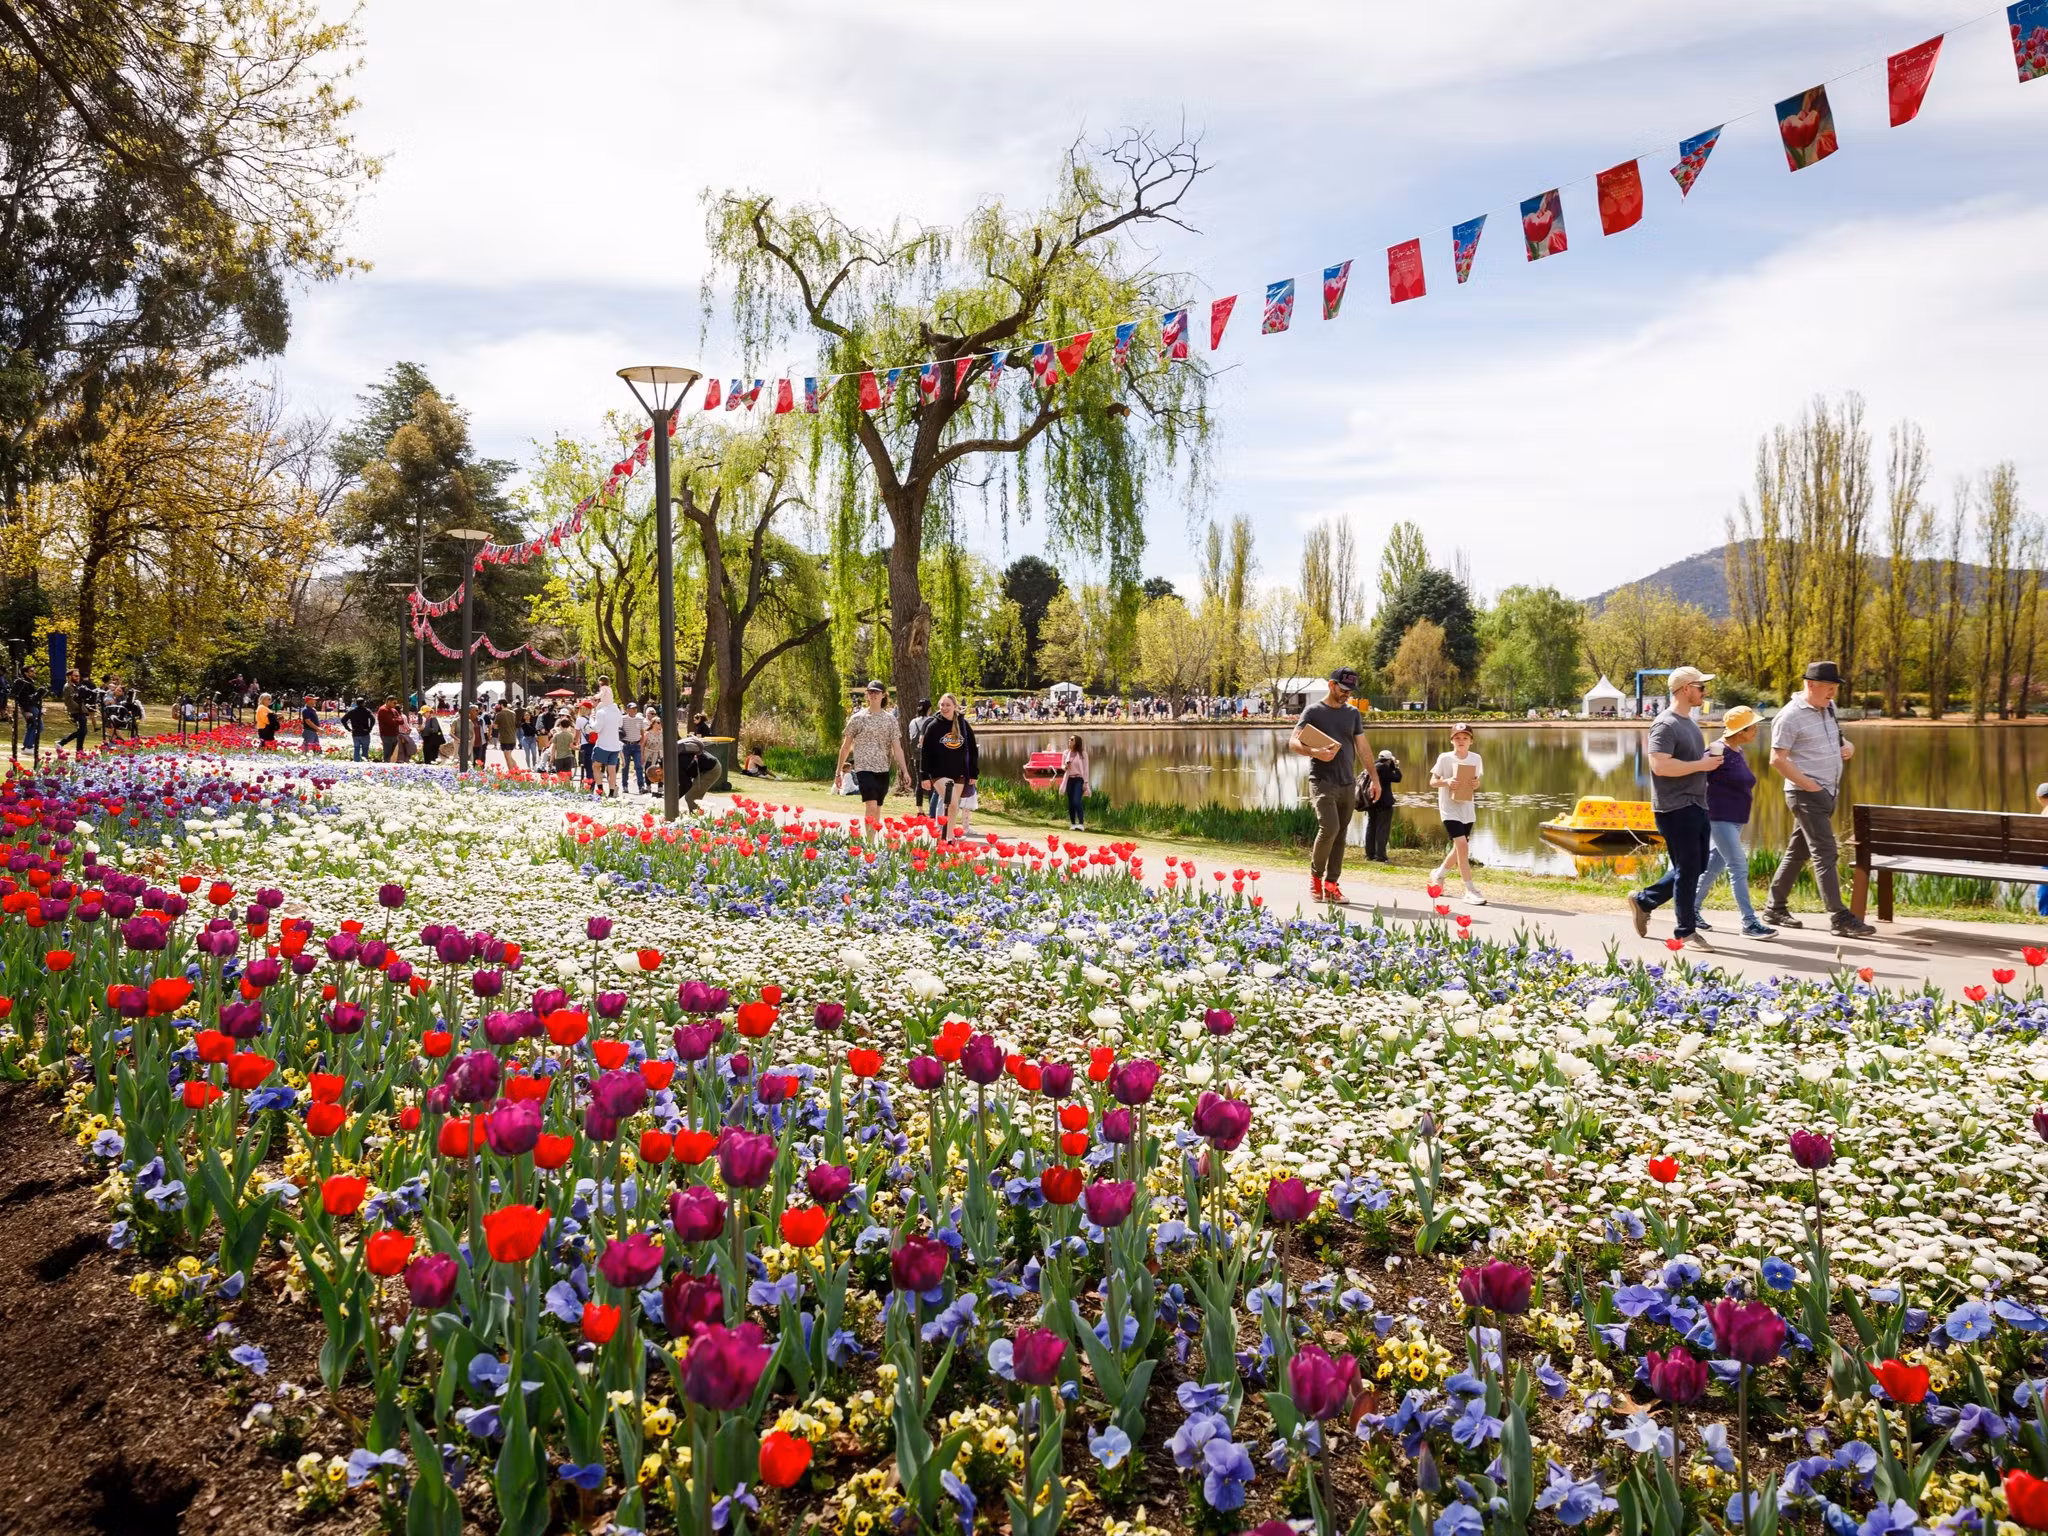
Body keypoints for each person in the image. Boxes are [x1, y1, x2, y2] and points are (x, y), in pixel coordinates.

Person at [1762, 660, 1873, 937]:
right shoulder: (1789, 717)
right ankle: (1839, 917)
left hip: (1827, 793)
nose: (1834, 693)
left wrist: (1847, 747)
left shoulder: (1828, 708)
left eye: (1836, 687)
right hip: (1805, 794)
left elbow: (1838, 740)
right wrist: (1809, 786)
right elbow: (1777, 759)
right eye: (1829, 687)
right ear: (1811, 685)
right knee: (1826, 851)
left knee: (1797, 852)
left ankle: (1774, 908)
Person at [1625, 666, 1718, 949]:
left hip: (1696, 804)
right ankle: (1685, 932)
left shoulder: (1689, 722)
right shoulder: (1665, 724)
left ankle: (1644, 901)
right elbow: (1659, 765)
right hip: (1675, 807)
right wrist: (1701, 765)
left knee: (1696, 865)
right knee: (1688, 869)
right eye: (1700, 686)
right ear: (1685, 689)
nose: (1704, 691)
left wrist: (1706, 764)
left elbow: (1683, 762)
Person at [1288, 666, 1373, 904]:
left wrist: (1374, 779)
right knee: (1329, 828)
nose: (1347, 694)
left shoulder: (1353, 713)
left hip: (1348, 782)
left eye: (1350, 690)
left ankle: (1331, 884)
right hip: (1322, 780)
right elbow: (1293, 742)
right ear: (1331, 684)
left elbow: (1363, 748)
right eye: (1343, 689)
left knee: (1340, 834)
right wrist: (1313, 751)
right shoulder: (1313, 711)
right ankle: (1315, 877)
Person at [1694, 705, 1775, 939]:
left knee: (1713, 867)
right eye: (1753, 727)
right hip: (1720, 818)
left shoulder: (1736, 750)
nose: (1757, 730)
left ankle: (1691, 910)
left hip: (1736, 819)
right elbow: (1696, 775)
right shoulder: (1717, 751)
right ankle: (1749, 923)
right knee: (1738, 866)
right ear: (1740, 730)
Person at [833, 679, 911, 834]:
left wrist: (905, 770)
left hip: (882, 768)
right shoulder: (858, 718)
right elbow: (846, 746)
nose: (873, 695)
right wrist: (838, 772)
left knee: (878, 807)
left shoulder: (890, 720)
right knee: (871, 805)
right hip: (864, 768)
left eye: (877, 692)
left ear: (883, 695)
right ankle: (869, 844)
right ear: (867, 695)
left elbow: (897, 747)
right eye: (871, 692)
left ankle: (873, 842)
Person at [1427, 723, 1486, 904]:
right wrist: (1446, 782)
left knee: (1460, 846)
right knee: (1462, 844)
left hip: (1467, 807)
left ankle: (1439, 874)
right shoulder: (1445, 758)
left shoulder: (1476, 758)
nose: (1461, 741)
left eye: (1465, 738)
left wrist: (1476, 785)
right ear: (1451, 740)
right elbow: (1432, 782)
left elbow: (1476, 782)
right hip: (1449, 808)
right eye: (1457, 738)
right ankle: (1469, 889)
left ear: (1471, 741)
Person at [918, 692, 979, 841]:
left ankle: (948, 838)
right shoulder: (933, 726)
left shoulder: (963, 725)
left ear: (954, 707)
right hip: (938, 773)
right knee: (950, 802)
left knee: (953, 807)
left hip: (959, 773)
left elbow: (972, 750)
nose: (944, 708)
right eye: (942, 705)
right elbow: (925, 753)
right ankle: (943, 836)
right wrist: (924, 776)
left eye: (948, 705)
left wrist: (974, 773)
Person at [1364, 748, 1401, 862]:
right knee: (1382, 829)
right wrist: (1396, 767)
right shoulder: (1385, 768)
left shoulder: (1372, 767)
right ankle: (1380, 855)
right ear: (1389, 760)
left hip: (1372, 802)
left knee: (1371, 827)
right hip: (1384, 803)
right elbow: (1397, 778)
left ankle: (1369, 854)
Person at [589, 684, 624, 799]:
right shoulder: (617, 710)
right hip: (615, 745)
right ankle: (612, 792)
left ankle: (600, 789)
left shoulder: (601, 712)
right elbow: (620, 724)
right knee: (612, 769)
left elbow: (597, 728)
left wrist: (591, 719)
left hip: (603, 745)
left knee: (596, 766)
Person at [676, 735, 722, 811]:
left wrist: (672, 800)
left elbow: (686, 785)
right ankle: (697, 819)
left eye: (660, 778)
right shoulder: (672, 761)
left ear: (658, 771)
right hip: (705, 768)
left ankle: (697, 821)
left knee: (691, 797)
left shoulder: (677, 764)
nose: (661, 780)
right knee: (693, 797)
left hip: (711, 769)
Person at [1060, 734, 1089, 831]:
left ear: (1077, 742)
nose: (1069, 740)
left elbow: (1086, 768)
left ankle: (1081, 823)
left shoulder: (1082, 753)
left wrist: (1086, 782)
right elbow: (1062, 766)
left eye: (1072, 739)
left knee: (1077, 801)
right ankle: (1073, 823)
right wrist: (1065, 767)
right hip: (1069, 779)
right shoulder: (1065, 753)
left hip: (1079, 779)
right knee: (1071, 803)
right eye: (1069, 739)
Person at [57, 668, 90, 753]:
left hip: (80, 711)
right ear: (69, 676)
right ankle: (79, 750)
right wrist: (81, 709)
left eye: (78, 676)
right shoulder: (68, 687)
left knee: (82, 731)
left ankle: (63, 743)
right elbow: (70, 701)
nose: (78, 677)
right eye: (75, 676)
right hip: (75, 711)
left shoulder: (75, 685)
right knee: (82, 731)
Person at [620, 703, 646, 791]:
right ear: (627, 710)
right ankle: (624, 785)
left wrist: (641, 743)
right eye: (632, 709)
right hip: (626, 745)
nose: (634, 710)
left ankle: (641, 786)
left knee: (639, 766)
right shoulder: (622, 719)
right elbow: (619, 731)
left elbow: (642, 732)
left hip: (636, 745)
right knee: (625, 766)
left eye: (635, 708)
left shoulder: (640, 719)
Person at [549, 714, 577, 781]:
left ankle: (561, 789)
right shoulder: (570, 735)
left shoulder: (556, 735)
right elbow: (571, 746)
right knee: (567, 776)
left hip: (559, 757)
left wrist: (552, 758)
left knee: (560, 777)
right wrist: (578, 747)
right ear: (568, 726)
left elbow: (553, 747)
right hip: (568, 757)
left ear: (560, 725)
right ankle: (567, 789)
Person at [376, 695, 403, 761]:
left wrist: (395, 719)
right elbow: (391, 722)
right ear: (388, 702)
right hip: (386, 735)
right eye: (394, 703)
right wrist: (396, 719)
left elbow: (401, 720)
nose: (395, 705)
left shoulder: (393, 710)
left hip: (394, 735)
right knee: (388, 754)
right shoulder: (383, 710)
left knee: (393, 755)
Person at [496, 698, 519, 769]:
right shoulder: (513, 713)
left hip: (505, 738)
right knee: (509, 756)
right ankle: (516, 769)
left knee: (507, 757)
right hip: (513, 737)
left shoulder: (499, 714)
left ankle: (511, 773)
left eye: (499, 705)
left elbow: (495, 726)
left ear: (502, 705)